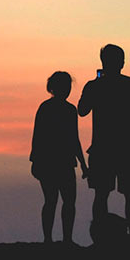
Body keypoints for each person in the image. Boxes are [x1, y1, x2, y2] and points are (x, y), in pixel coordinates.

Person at [78, 44, 130, 242]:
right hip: (128, 148)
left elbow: (82, 109)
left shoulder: (94, 86)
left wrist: (97, 86)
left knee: (101, 194)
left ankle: (100, 239)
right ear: (122, 62)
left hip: (103, 149)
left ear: (103, 62)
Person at [30, 72, 88, 244]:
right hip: (55, 163)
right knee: (58, 202)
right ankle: (57, 239)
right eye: (65, 86)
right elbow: (39, 137)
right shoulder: (58, 109)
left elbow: (73, 139)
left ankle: (61, 239)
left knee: (59, 202)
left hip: (58, 163)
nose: (67, 90)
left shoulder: (58, 109)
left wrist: (83, 165)